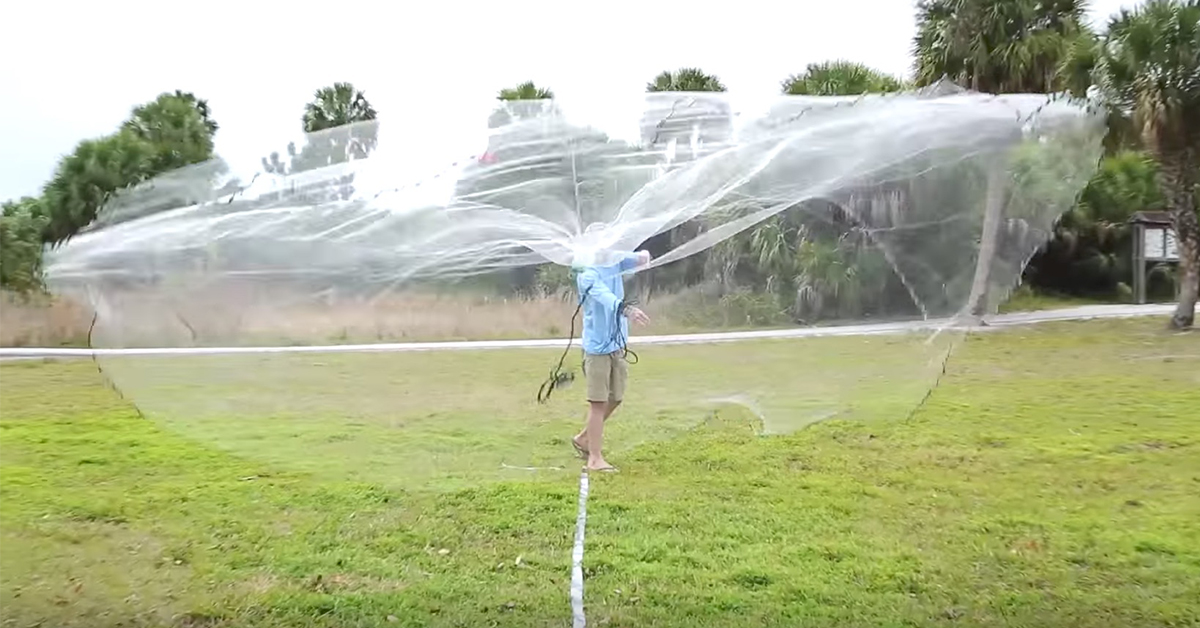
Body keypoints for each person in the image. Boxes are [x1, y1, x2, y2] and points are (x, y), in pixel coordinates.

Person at [571, 249, 652, 472]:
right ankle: (595, 459)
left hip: (617, 344)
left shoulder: (614, 259)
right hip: (597, 347)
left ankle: (583, 438)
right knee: (598, 403)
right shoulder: (586, 273)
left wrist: (641, 254)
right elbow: (604, 297)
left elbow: (643, 258)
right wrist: (627, 310)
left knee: (615, 397)